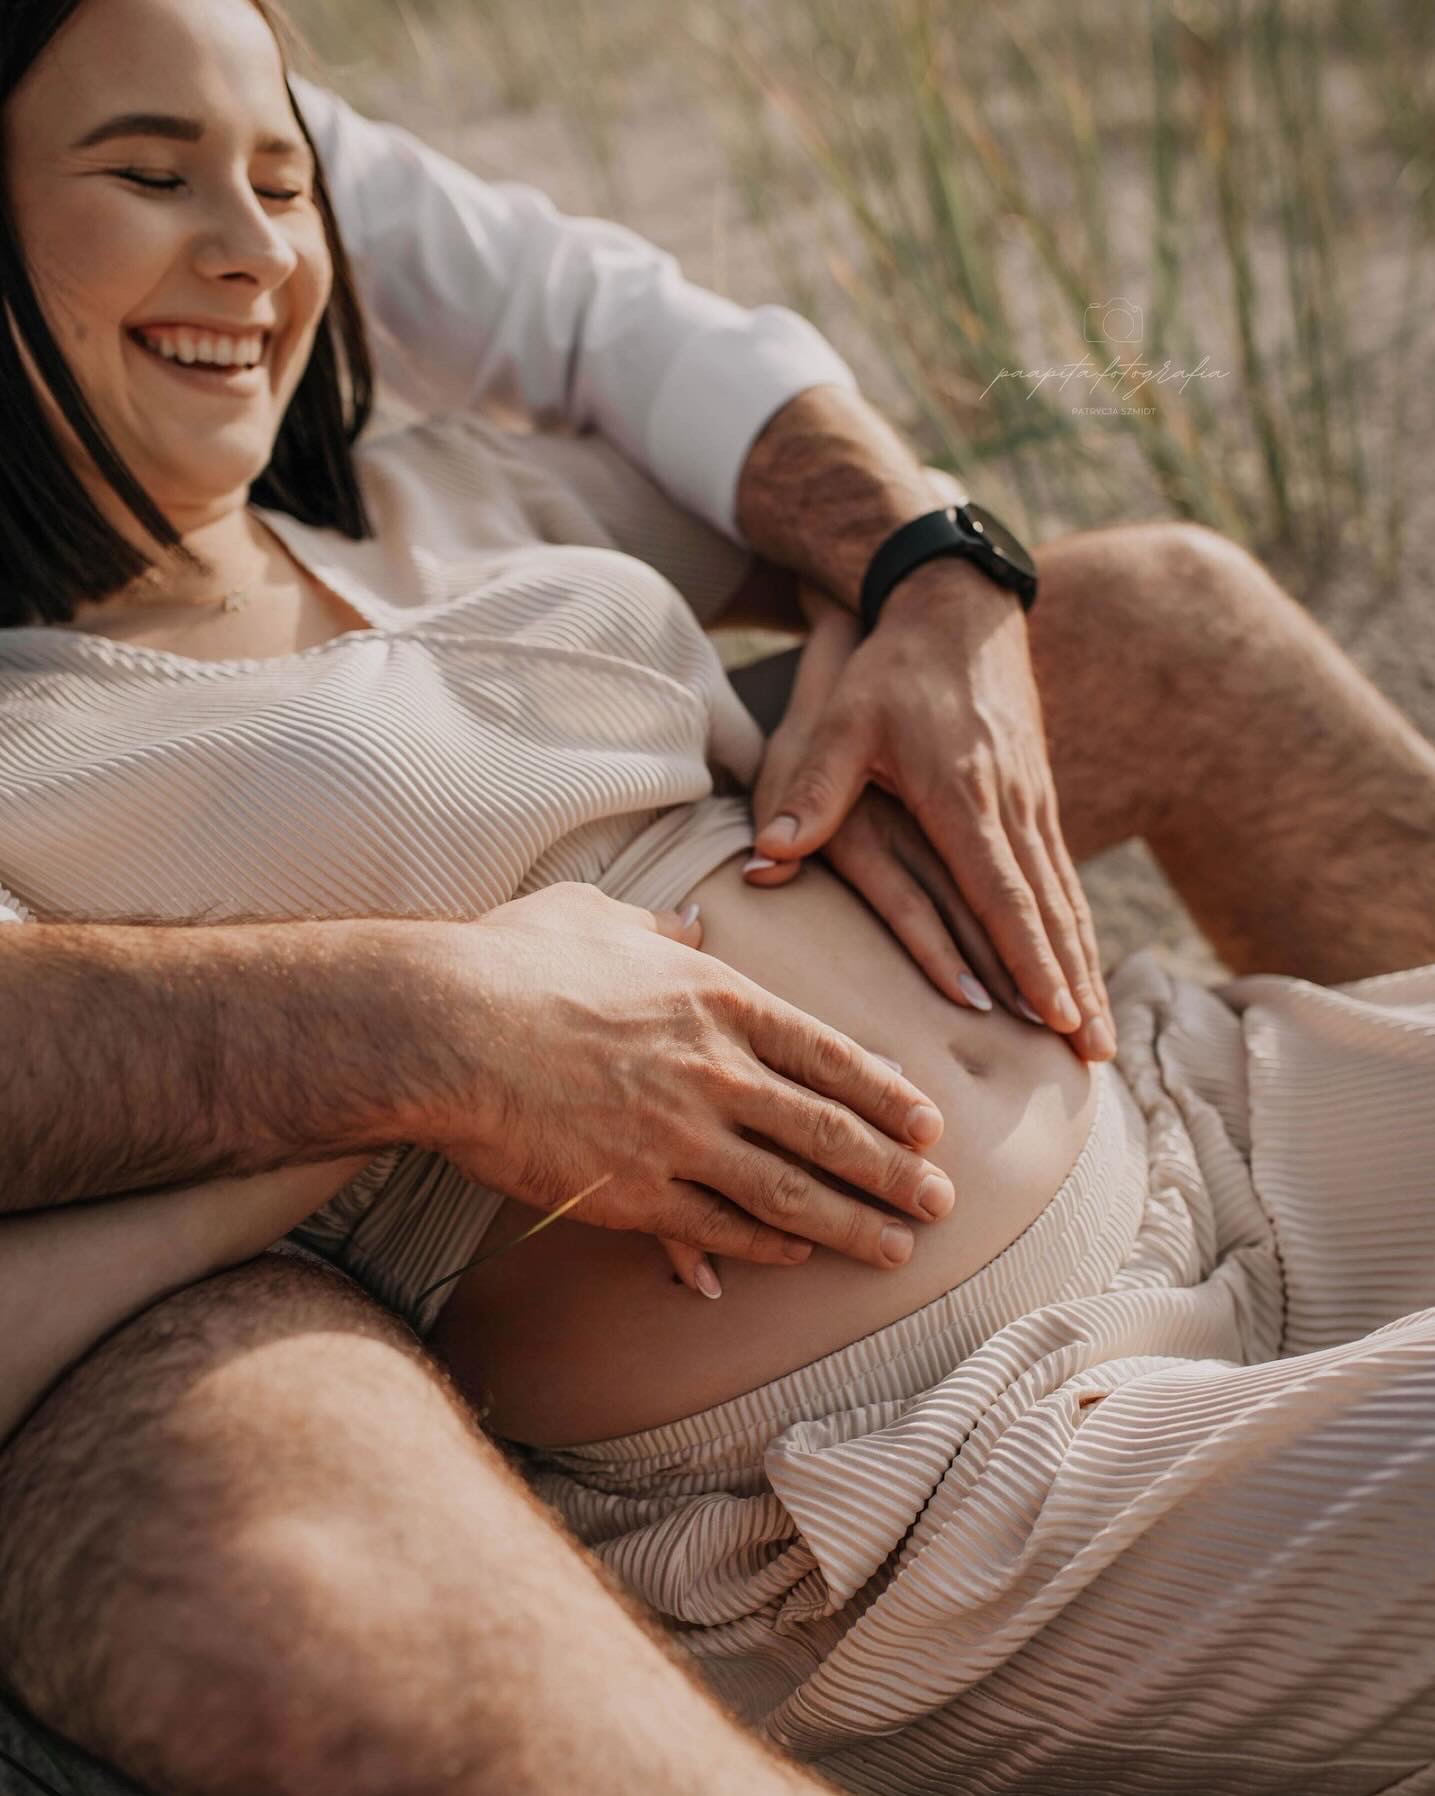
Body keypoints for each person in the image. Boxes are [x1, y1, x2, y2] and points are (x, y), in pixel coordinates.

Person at [2, 4, 1434, 1796]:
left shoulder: (419, 488)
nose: (257, 247)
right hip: (921, 1485)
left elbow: (706, 403)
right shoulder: (36, 737)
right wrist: (427, 1036)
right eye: (153, 175)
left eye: (290, 182)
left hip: (1213, 1120)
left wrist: (905, 608)